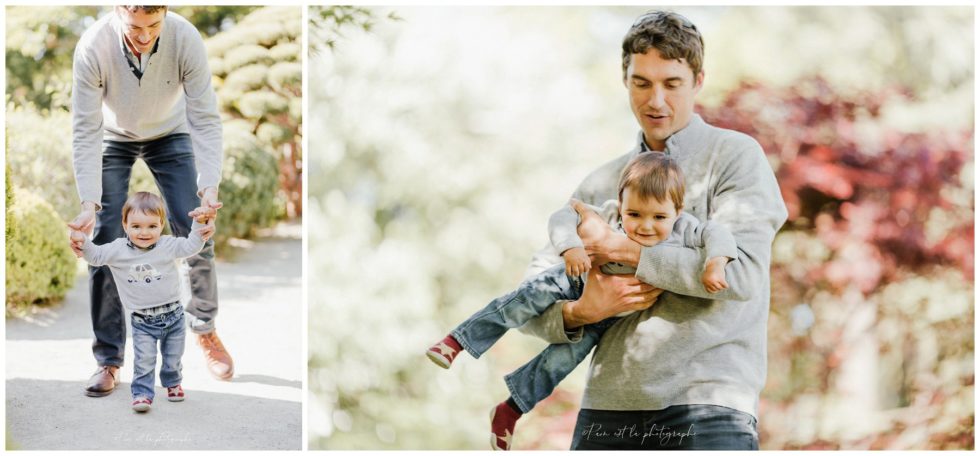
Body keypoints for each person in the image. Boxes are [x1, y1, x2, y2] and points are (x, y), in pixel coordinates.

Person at [517, 11, 788, 450]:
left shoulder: (735, 158)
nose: (655, 101)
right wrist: (580, 313)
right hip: (607, 410)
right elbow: (529, 295)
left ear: (698, 81)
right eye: (641, 83)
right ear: (625, 82)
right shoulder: (602, 184)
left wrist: (624, 251)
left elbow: (740, 276)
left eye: (671, 84)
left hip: (710, 406)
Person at [427, 154, 739, 450]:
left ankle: (510, 409)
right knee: (522, 301)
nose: (644, 226)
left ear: (678, 210)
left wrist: (715, 263)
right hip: (574, 277)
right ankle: (458, 340)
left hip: (607, 319)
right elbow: (564, 215)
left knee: (558, 363)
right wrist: (570, 247)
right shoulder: (609, 213)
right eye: (634, 214)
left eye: (658, 217)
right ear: (621, 205)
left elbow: (718, 233)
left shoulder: (685, 229)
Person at [67, 5, 233, 399]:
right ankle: (109, 358)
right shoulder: (93, 46)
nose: (145, 36)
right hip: (112, 136)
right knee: (104, 241)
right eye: (135, 26)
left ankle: (204, 329)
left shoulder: (185, 38)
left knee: (196, 229)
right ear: (117, 12)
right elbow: (85, 128)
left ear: (166, 14)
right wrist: (89, 202)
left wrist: (209, 185)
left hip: (171, 134)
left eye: (153, 26)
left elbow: (205, 117)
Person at [70, 192, 215, 412]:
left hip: (174, 317)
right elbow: (96, 256)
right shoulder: (117, 250)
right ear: (125, 224)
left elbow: (190, 247)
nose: (144, 232)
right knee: (144, 360)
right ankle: (142, 394)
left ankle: (173, 382)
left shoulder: (167, 245)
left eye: (151, 226)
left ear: (161, 225)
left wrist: (198, 224)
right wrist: (84, 241)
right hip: (143, 321)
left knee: (173, 357)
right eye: (136, 226)